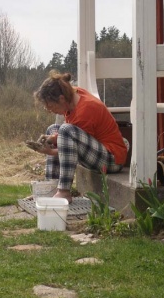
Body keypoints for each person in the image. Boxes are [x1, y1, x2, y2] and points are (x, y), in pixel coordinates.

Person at [30, 70, 128, 203]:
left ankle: (64, 192)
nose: (48, 110)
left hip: (112, 160)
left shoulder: (85, 110)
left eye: (51, 106)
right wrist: (52, 139)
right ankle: (51, 188)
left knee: (65, 130)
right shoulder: (73, 95)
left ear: (61, 99)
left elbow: (72, 151)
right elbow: (72, 144)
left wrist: (49, 151)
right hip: (96, 151)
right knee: (53, 129)